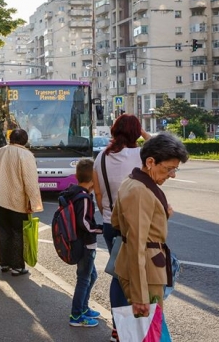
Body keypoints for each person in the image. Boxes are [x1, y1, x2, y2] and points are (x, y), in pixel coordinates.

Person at [111, 132, 189, 321]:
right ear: (151, 162)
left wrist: (159, 216)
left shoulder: (132, 182)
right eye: (169, 169)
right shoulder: (140, 190)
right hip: (146, 272)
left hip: (144, 268)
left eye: (175, 169)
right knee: (149, 329)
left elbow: (116, 222)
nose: (172, 175)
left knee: (144, 329)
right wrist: (139, 295)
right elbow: (137, 244)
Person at [92, 114, 149, 342]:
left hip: (109, 223)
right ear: (136, 132)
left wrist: (108, 212)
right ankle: (136, 327)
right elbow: (167, 149)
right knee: (139, 274)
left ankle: (118, 328)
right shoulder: (141, 155)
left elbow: (98, 193)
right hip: (136, 225)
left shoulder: (101, 158)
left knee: (118, 275)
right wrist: (144, 133)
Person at [0, 128, 43, 276]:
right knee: (17, 232)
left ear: (10, 138)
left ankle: (4, 263)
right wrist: (33, 201)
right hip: (18, 201)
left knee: (3, 231)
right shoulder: (26, 155)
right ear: (25, 140)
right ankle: (17, 266)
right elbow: (30, 182)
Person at [65, 158, 103, 327]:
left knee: (90, 275)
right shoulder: (85, 198)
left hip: (78, 243)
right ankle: (76, 315)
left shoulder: (73, 192)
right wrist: (101, 229)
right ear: (94, 179)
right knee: (84, 279)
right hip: (86, 244)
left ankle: (84, 308)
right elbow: (85, 224)